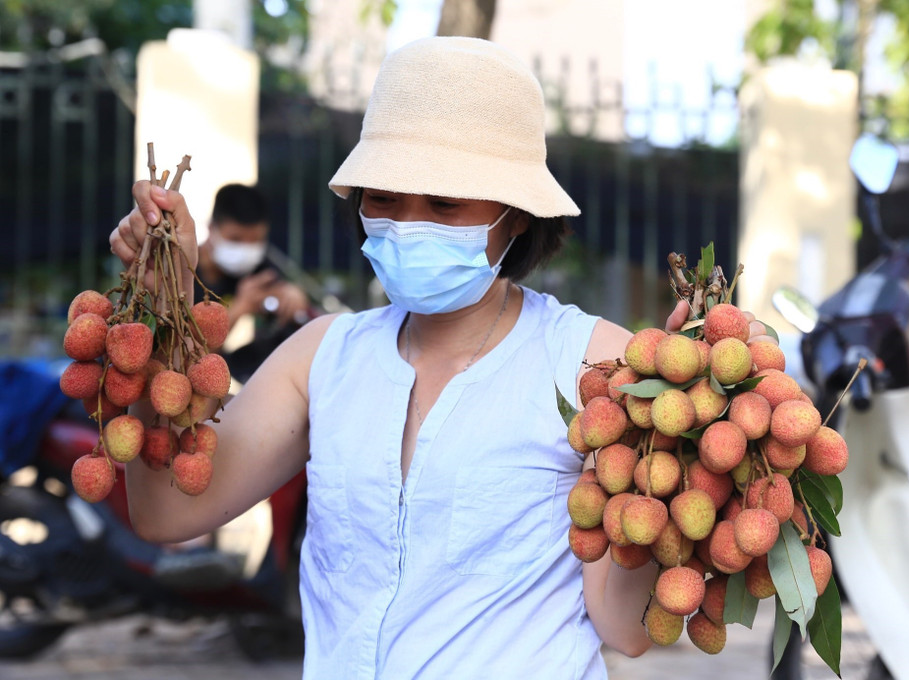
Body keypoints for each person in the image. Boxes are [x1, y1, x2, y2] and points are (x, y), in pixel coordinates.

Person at [110, 37, 773, 678]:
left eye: (446, 203)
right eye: (385, 199)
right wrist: (159, 314)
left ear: (516, 216)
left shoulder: (599, 367)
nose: (408, 223)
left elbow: (626, 631)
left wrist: (672, 451)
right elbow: (168, 514)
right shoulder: (320, 358)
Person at [195, 183, 311, 381]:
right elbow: (191, 355)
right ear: (211, 228)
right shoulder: (183, 274)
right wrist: (241, 307)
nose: (246, 250)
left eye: (256, 240)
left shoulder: (257, 269)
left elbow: (286, 294)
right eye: (236, 239)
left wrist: (294, 297)